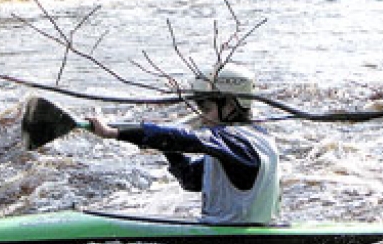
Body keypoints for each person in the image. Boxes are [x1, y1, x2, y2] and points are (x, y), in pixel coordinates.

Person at [87, 64, 281, 225]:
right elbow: (190, 179)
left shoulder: (237, 142)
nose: (202, 117)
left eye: (206, 109)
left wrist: (113, 133)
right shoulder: (243, 144)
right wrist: (165, 146)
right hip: (245, 230)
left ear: (230, 106)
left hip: (237, 237)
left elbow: (187, 139)